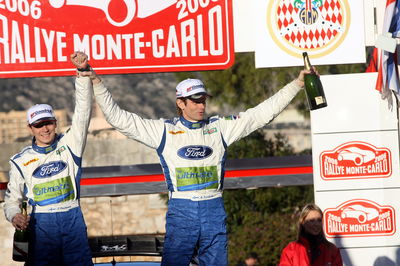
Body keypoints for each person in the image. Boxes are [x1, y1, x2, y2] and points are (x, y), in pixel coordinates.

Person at [79, 55, 309, 265]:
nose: (201, 106)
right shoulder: (164, 131)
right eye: (195, 101)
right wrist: (97, 83)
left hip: (213, 207)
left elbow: (261, 114)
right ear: (181, 103)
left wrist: (296, 84)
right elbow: (119, 118)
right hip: (182, 210)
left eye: (203, 100)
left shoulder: (219, 127)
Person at [4, 52, 94, 265]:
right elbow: (11, 200)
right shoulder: (19, 161)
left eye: (49, 123)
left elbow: (82, 112)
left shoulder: (70, 144)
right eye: (38, 125)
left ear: (55, 122)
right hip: (41, 229)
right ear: (30, 128)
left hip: (73, 223)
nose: (45, 129)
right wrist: (14, 216)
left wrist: (81, 74)